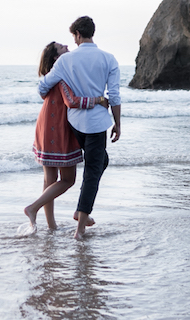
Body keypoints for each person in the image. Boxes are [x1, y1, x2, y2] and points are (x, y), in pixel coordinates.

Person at [36, 16, 121, 239]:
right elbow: (114, 96)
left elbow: (43, 85)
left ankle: (77, 214)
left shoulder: (66, 61)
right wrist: (118, 124)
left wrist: (49, 95)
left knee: (100, 161)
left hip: (73, 124)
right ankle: (80, 226)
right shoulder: (109, 59)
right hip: (96, 123)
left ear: (77, 35)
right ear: (91, 32)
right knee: (92, 171)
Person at [24, 41, 108, 230]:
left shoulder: (50, 76)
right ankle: (33, 208)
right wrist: (99, 100)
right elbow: (71, 101)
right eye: (63, 47)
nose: (67, 47)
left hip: (46, 125)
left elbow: (43, 92)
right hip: (57, 127)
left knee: (49, 180)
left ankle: (51, 226)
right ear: (56, 57)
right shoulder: (62, 75)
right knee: (68, 180)